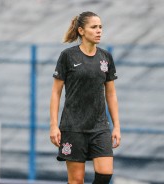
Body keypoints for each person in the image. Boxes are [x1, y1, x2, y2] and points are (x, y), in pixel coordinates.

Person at [49, 11, 121, 184]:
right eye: (94, 27)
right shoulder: (68, 56)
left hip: (100, 127)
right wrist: (53, 126)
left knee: (105, 174)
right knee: (76, 180)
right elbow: (55, 92)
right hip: (73, 127)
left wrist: (116, 126)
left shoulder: (105, 58)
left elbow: (111, 93)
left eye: (100, 27)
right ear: (81, 30)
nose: (99, 31)